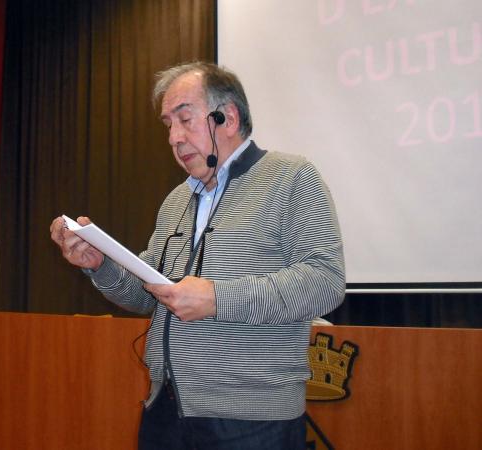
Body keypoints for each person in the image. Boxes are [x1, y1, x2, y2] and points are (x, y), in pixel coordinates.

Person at [50, 62, 345, 449]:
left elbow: (325, 282)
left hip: (251, 421)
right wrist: (101, 265)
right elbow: (146, 296)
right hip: (166, 412)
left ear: (228, 117)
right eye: (168, 124)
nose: (174, 137)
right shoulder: (177, 200)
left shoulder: (291, 178)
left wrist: (216, 299)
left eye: (185, 119)